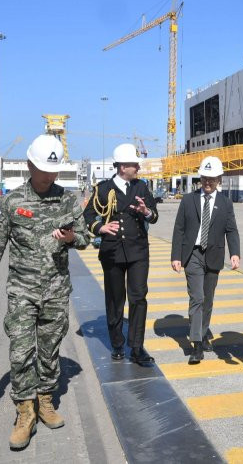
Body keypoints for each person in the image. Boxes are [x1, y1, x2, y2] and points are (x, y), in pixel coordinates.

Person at [0, 134, 89, 450]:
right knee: (22, 350)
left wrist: (69, 239)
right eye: (42, 170)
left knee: (50, 348)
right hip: (22, 291)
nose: (48, 176)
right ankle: (25, 412)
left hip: (56, 290)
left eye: (52, 171)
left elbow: (85, 237)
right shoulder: (12, 202)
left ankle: (46, 400)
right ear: (29, 165)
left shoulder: (66, 199)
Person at [83, 143, 159, 367]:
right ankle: (117, 344)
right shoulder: (103, 189)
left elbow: (154, 216)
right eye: (135, 164)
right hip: (113, 251)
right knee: (115, 300)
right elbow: (88, 215)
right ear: (123, 166)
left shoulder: (142, 188)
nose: (138, 168)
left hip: (138, 251)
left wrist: (146, 212)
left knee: (138, 298)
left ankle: (136, 347)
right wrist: (100, 228)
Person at [170, 156, 240, 364]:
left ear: (219, 179)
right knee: (197, 298)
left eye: (212, 179)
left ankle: (202, 330)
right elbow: (179, 229)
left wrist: (234, 253)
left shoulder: (225, 203)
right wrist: (176, 256)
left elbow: (231, 230)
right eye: (204, 178)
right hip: (193, 255)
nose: (208, 182)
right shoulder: (188, 200)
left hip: (214, 255)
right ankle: (197, 344)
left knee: (208, 299)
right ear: (200, 178)